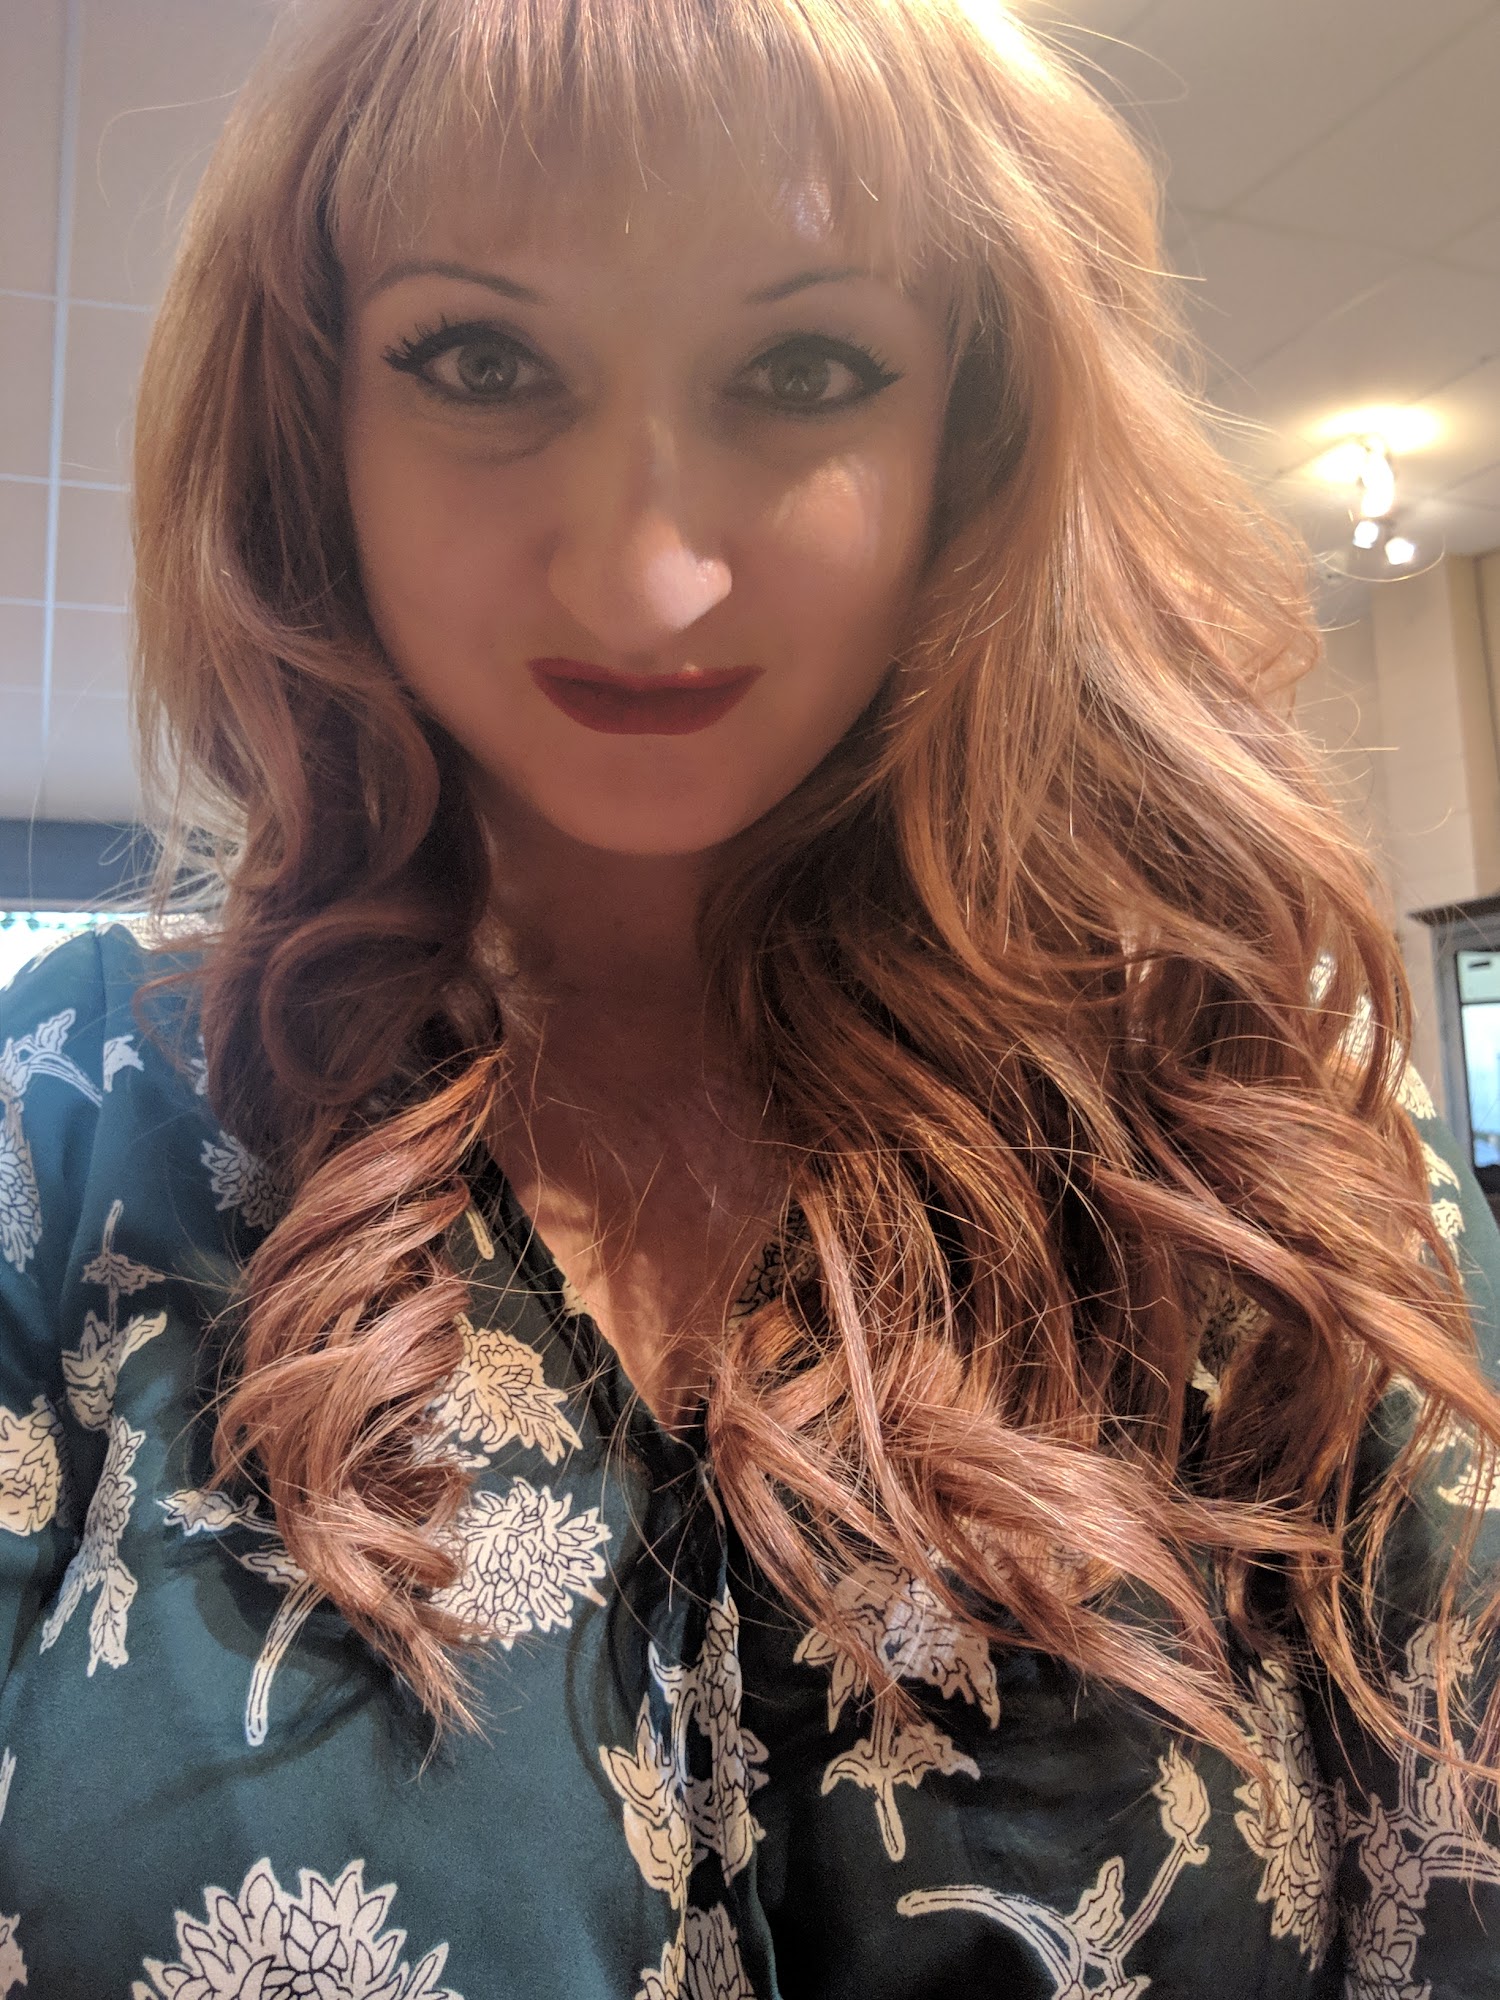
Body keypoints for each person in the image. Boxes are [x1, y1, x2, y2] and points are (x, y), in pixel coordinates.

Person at [3, 0, 1500, 1991]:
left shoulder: (1247, 1112)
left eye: (803, 370)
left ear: (971, 428)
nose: (647, 580)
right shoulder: (71, 1112)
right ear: (312, 418)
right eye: (483, 362)